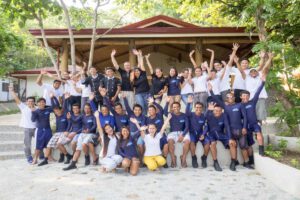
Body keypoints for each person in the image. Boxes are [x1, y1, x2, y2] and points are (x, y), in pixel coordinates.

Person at [208, 81, 252, 171]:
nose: (230, 98)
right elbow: (215, 99)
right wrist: (211, 90)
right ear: (226, 99)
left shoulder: (239, 105)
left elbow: (245, 117)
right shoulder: (225, 106)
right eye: (228, 97)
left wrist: (244, 127)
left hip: (240, 130)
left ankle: (246, 162)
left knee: (243, 146)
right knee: (233, 145)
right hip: (230, 131)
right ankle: (234, 162)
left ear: (234, 98)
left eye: (231, 97)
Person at [37, 95, 70, 166]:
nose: (57, 112)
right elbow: (54, 106)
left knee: (59, 144)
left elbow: (65, 107)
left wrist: (66, 99)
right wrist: (52, 98)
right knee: (48, 145)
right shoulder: (56, 116)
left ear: (61, 110)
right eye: (55, 111)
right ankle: (45, 160)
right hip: (57, 133)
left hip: (64, 133)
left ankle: (67, 156)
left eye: (58, 110)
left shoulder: (65, 115)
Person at [63, 103, 98, 170]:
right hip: (82, 134)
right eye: (85, 108)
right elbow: (75, 121)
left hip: (91, 134)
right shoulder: (82, 116)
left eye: (88, 108)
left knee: (84, 143)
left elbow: (95, 126)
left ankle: (87, 156)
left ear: (90, 109)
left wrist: (89, 130)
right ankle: (73, 164)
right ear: (84, 109)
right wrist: (69, 118)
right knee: (78, 148)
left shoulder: (93, 116)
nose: (86, 109)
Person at [241, 74, 267, 158]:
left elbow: (258, 92)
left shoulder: (252, 101)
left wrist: (263, 82)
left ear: (249, 97)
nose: (245, 97)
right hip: (246, 126)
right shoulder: (239, 105)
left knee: (259, 133)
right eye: (244, 96)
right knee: (249, 143)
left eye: (247, 96)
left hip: (254, 123)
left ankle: (261, 150)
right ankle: (251, 159)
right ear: (241, 97)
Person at [9, 86, 37, 164]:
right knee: (27, 145)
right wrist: (11, 91)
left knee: (38, 143)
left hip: (36, 129)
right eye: (29, 101)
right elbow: (16, 99)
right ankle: (29, 157)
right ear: (27, 102)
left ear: (34, 102)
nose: (30, 102)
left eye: (32, 101)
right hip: (27, 129)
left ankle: (39, 156)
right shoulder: (23, 107)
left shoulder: (37, 108)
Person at [244, 53, 273, 124]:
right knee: (252, 115)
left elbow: (265, 67)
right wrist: (262, 58)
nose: (253, 72)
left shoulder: (260, 76)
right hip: (250, 99)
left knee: (260, 116)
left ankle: (259, 129)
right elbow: (260, 66)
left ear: (257, 72)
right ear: (249, 73)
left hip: (260, 98)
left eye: (255, 71)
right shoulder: (247, 77)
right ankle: (254, 130)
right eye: (252, 72)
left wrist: (269, 58)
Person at [205, 102, 231, 171]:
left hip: (221, 134)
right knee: (213, 144)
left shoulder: (224, 115)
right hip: (211, 134)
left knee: (232, 143)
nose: (218, 112)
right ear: (213, 110)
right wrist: (208, 110)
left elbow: (227, 126)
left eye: (219, 111)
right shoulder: (210, 115)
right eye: (216, 111)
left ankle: (234, 161)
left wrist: (230, 137)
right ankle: (215, 162)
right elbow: (205, 117)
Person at [186, 96, 210, 168]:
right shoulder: (191, 114)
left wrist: (203, 134)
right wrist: (188, 103)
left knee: (208, 142)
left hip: (200, 133)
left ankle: (204, 158)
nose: (198, 109)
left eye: (200, 107)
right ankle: (194, 158)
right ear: (194, 107)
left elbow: (206, 126)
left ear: (202, 108)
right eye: (197, 107)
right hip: (192, 133)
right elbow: (187, 112)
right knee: (192, 142)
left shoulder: (204, 116)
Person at [164, 100, 190, 168]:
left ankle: (183, 158)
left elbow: (187, 127)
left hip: (182, 132)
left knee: (187, 141)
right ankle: (173, 158)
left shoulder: (184, 115)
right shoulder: (171, 115)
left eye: (177, 107)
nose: (176, 108)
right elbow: (164, 112)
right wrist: (167, 102)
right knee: (170, 141)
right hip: (173, 132)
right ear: (172, 108)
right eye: (174, 107)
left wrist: (183, 135)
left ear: (180, 107)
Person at [123, 94, 147, 165]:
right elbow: (127, 107)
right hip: (131, 134)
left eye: (139, 110)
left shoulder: (143, 117)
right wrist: (124, 98)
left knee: (140, 144)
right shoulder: (131, 115)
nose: (137, 111)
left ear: (141, 111)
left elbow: (142, 129)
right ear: (133, 110)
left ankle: (141, 159)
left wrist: (137, 124)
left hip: (139, 134)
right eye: (135, 110)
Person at [147, 97, 168, 168]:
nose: (150, 111)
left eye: (152, 110)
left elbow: (161, 109)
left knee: (166, 145)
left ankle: (164, 160)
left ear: (155, 111)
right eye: (149, 110)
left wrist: (153, 103)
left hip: (161, 134)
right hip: (152, 136)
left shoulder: (159, 116)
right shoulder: (147, 119)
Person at [31, 98, 53, 164]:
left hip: (48, 129)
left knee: (49, 144)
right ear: (37, 104)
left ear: (45, 103)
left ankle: (49, 157)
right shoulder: (36, 111)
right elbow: (33, 120)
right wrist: (33, 112)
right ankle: (35, 159)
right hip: (40, 130)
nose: (41, 103)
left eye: (43, 102)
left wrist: (52, 98)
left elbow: (55, 106)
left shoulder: (48, 110)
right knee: (38, 146)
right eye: (40, 102)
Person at [131, 50, 150, 115]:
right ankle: (142, 118)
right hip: (138, 94)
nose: (137, 72)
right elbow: (133, 87)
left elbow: (141, 64)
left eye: (138, 71)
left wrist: (138, 55)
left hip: (146, 93)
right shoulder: (133, 79)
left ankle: (144, 117)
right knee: (141, 106)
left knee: (146, 106)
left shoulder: (143, 74)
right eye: (135, 71)